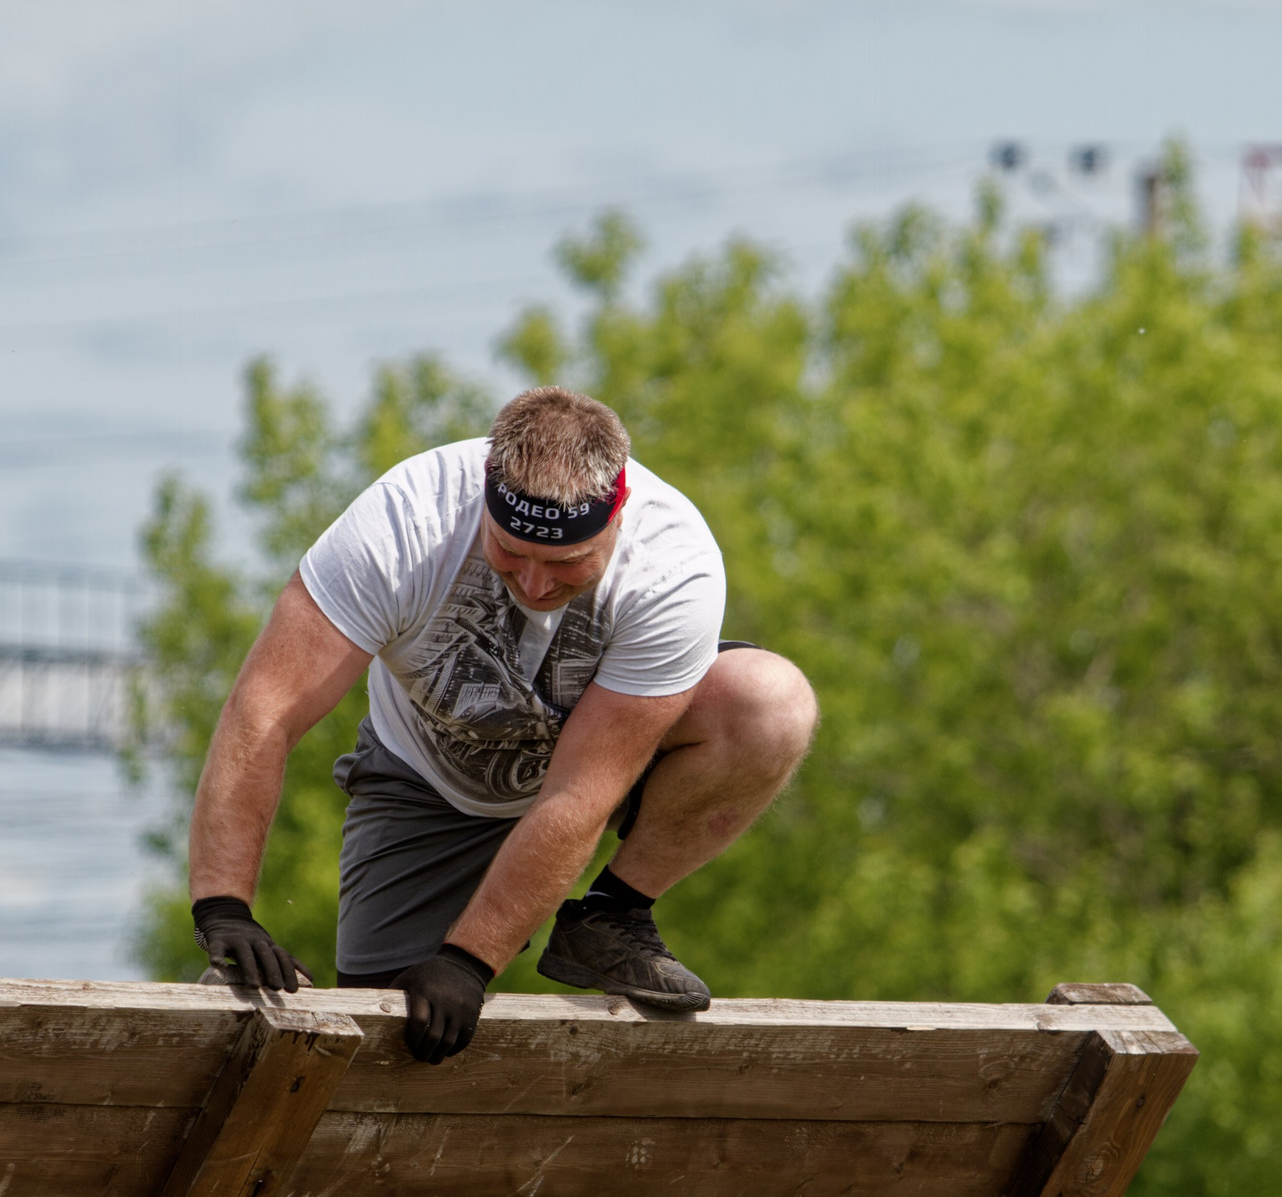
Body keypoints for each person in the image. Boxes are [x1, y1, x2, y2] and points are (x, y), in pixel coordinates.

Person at [183, 386, 818, 1063]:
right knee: (389, 1050)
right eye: (512, 551)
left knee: (769, 703)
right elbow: (264, 710)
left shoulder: (672, 565)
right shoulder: (405, 523)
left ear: (618, 512)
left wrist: (469, 960)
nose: (537, 585)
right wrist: (223, 907)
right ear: (485, 499)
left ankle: (610, 914)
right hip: (426, 781)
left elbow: (580, 792)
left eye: (567, 562)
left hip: (589, 764)